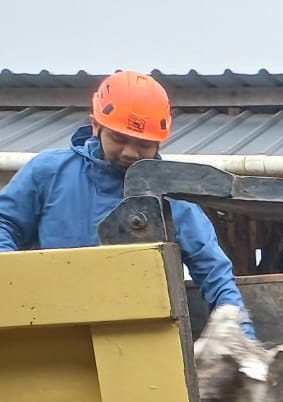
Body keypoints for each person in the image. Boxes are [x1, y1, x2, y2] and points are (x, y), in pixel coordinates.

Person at [0, 71, 254, 337]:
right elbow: (5, 223)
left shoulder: (172, 198)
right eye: (119, 139)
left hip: (135, 337)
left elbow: (213, 271)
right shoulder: (49, 173)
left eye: (144, 144)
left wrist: (243, 335)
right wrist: (14, 283)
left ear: (159, 141)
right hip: (51, 328)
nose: (130, 152)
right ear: (95, 125)